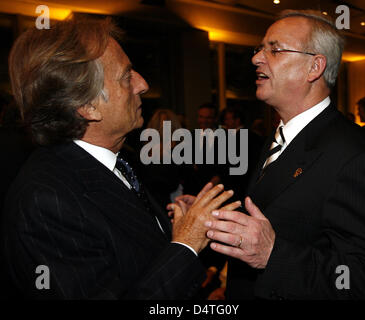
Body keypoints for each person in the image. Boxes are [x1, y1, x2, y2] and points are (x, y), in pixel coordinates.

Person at [0, 17, 240, 299]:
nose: (142, 84)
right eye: (127, 76)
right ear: (87, 106)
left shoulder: (116, 160)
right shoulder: (46, 202)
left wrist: (171, 226)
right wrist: (186, 244)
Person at [202, 10, 365, 299]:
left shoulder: (355, 157)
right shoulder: (278, 139)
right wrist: (218, 219)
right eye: (259, 48)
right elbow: (281, 215)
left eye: (274, 49)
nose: (256, 58)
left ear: (314, 67)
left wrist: (273, 256)